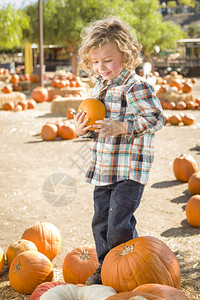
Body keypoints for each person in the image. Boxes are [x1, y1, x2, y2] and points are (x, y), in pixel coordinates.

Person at [74, 17, 165, 285]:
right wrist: (83, 131)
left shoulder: (136, 86)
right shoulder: (98, 87)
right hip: (104, 168)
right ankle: (106, 268)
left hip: (129, 170)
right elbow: (96, 127)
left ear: (125, 56)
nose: (101, 68)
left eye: (107, 60)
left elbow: (155, 119)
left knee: (118, 226)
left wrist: (122, 127)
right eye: (95, 62)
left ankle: (130, 269)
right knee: (100, 223)